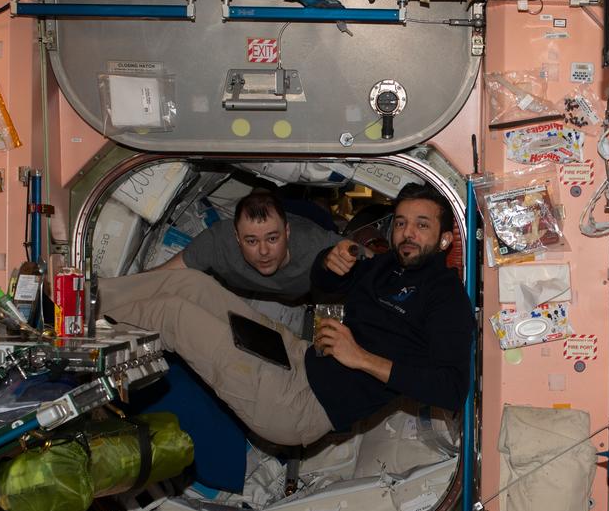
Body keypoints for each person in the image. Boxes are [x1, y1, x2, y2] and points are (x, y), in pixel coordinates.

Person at [99, 182, 474, 447]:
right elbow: (323, 284)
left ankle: (82, 331)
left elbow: (452, 388)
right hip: (296, 357)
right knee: (192, 286)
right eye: (402, 223)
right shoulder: (386, 266)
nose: (408, 233)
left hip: (299, 406)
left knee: (174, 316)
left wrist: (360, 358)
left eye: (421, 225)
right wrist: (330, 263)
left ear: (444, 240)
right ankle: (84, 296)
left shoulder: (447, 298)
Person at [149, 189, 339, 300]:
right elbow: (160, 276)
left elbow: (365, 262)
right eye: (251, 241)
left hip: (306, 297)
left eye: (272, 238)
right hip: (249, 294)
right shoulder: (218, 241)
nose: (263, 251)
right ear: (237, 237)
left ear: (287, 232)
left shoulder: (317, 244)